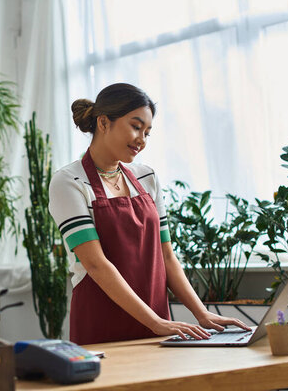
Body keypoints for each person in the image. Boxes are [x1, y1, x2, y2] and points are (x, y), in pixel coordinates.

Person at [48, 83, 251, 345]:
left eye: (147, 132)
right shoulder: (69, 182)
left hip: (159, 323)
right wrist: (154, 321)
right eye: (135, 126)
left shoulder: (147, 178)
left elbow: (166, 255)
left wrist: (201, 313)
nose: (142, 140)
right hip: (102, 322)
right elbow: (96, 264)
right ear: (103, 122)